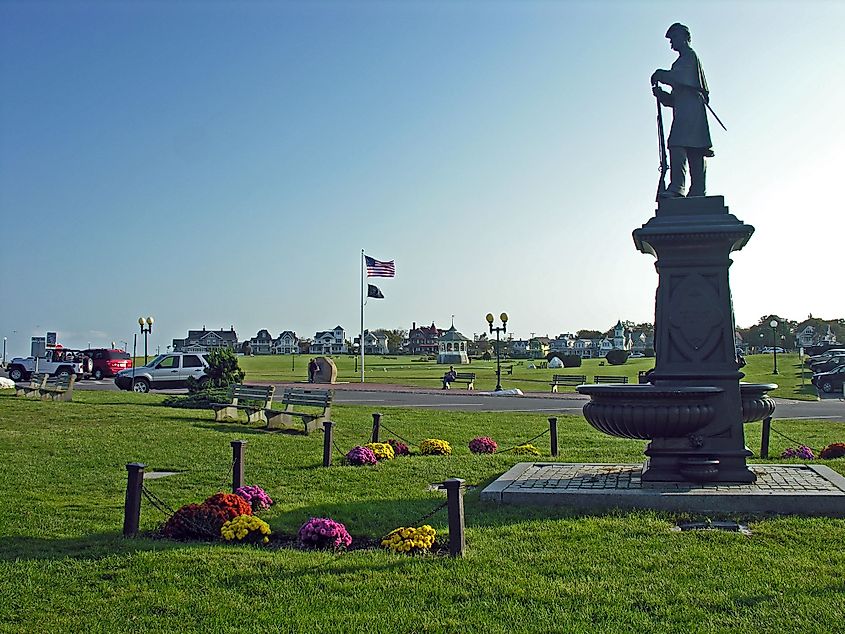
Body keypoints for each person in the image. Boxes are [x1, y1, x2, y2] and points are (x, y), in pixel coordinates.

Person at [651, 23, 713, 198]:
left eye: (674, 38)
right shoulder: (679, 61)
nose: (671, 43)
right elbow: (675, 98)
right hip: (685, 110)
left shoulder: (689, 57)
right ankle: (697, 190)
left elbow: (681, 79)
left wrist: (661, 74)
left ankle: (678, 187)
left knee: (679, 144)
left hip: (692, 111)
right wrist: (662, 95)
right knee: (693, 148)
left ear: (685, 37)